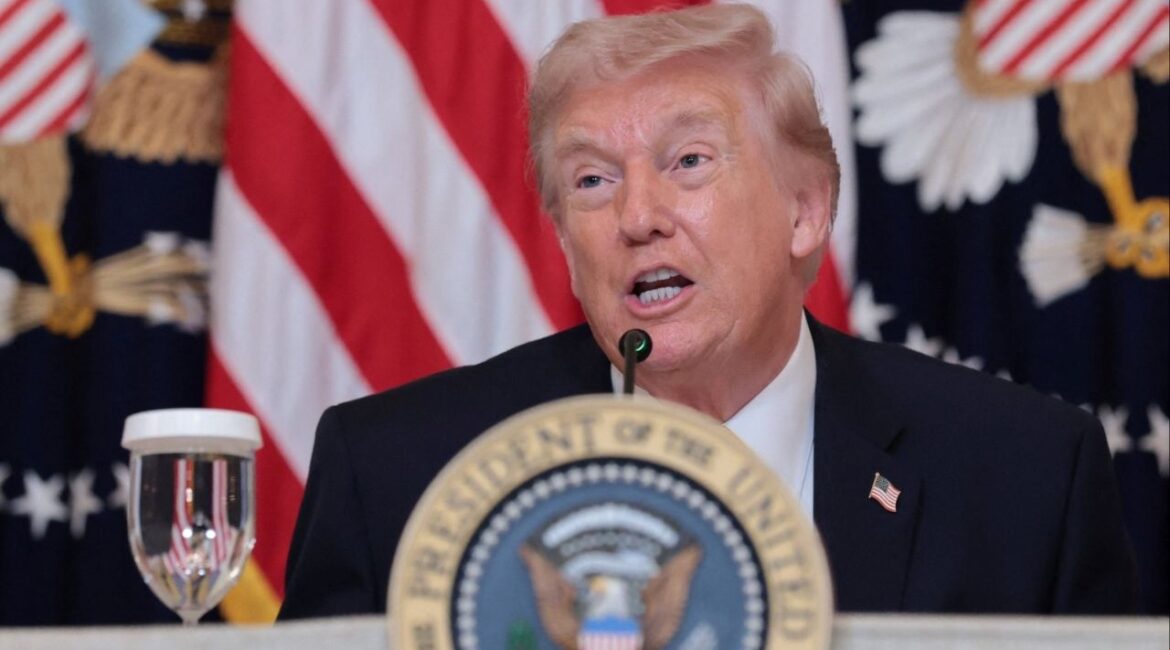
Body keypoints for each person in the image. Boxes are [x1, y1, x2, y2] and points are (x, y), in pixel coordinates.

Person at [279, 4, 1137, 619]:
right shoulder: (395, 475)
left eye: (688, 161)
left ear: (806, 211)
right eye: (591, 180)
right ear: (564, 239)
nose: (638, 214)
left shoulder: (1025, 476)